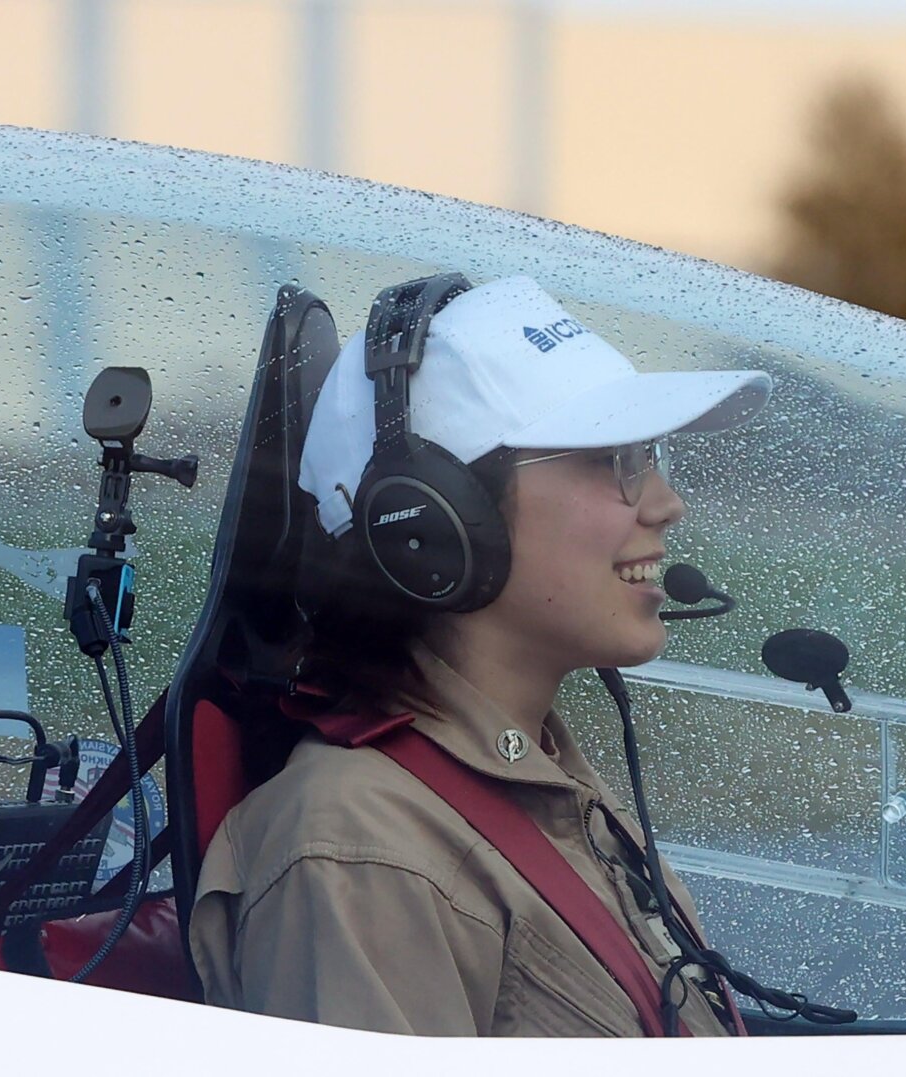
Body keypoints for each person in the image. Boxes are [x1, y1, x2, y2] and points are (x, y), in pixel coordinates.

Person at [188, 274, 772, 1036]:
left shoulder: (544, 780)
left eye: (650, 456)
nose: (664, 503)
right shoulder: (365, 855)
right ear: (431, 522)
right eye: (615, 459)